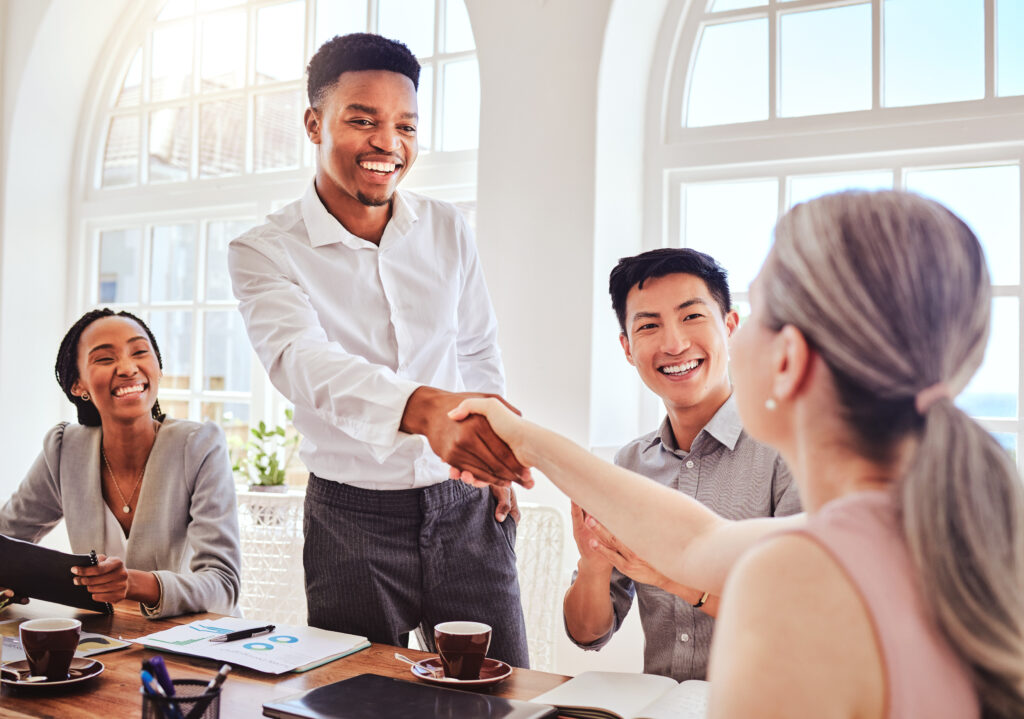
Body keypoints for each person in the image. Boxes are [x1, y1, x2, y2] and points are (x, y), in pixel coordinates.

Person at [450, 191, 1024, 718]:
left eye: (753, 315)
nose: (681, 343)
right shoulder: (946, 522)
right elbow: (695, 541)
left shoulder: (790, 576)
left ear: (787, 358)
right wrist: (522, 439)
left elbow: (709, 550)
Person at [227, 33, 529, 666]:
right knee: (358, 701)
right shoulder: (264, 250)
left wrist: (491, 451)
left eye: (406, 126)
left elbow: (476, 349)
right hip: (349, 519)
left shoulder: (447, 228)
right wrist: (421, 410)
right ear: (314, 124)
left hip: (465, 504)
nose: (388, 144)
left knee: (502, 695)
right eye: (362, 121)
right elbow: (301, 362)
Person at [563, 248, 800, 681]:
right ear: (628, 349)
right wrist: (594, 563)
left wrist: (675, 582)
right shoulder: (629, 465)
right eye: (649, 325)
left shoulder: (789, 450)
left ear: (730, 327)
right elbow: (587, 635)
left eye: (692, 317)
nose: (674, 344)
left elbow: (795, 620)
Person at [0, 309, 241, 618]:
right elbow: (7, 540)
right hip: (107, 640)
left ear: (158, 369)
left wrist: (134, 584)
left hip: (200, 642)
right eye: (104, 359)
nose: (128, 368)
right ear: (78, 385)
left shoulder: (199, 445)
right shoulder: (64, 449)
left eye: (140, 352)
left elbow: (224, 584)